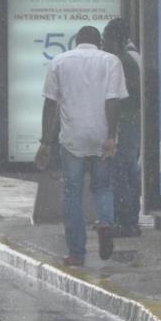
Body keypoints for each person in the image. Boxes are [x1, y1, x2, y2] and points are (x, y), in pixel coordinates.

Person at [35, 25, 128, 266]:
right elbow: (113, 101)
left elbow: (50, 105)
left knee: (72, 193)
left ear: (77, 41)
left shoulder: (59, 62)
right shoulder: (111, 61)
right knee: (103, 186)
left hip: (72, 136)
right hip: (101, 134)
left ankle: (76, 252)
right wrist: (110, 136)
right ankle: (105, 222)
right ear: (99, 42)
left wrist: (45, 142)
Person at [102, 18, 143, 238]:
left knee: (120, 173)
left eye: (106, 38)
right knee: (128, 173)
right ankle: (130, 220)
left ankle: (125, 221)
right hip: (131, 123)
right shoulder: (130, 57)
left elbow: (129, 92)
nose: (103, 43)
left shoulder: (123, 60)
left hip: (126, 124)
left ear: (116, 39)